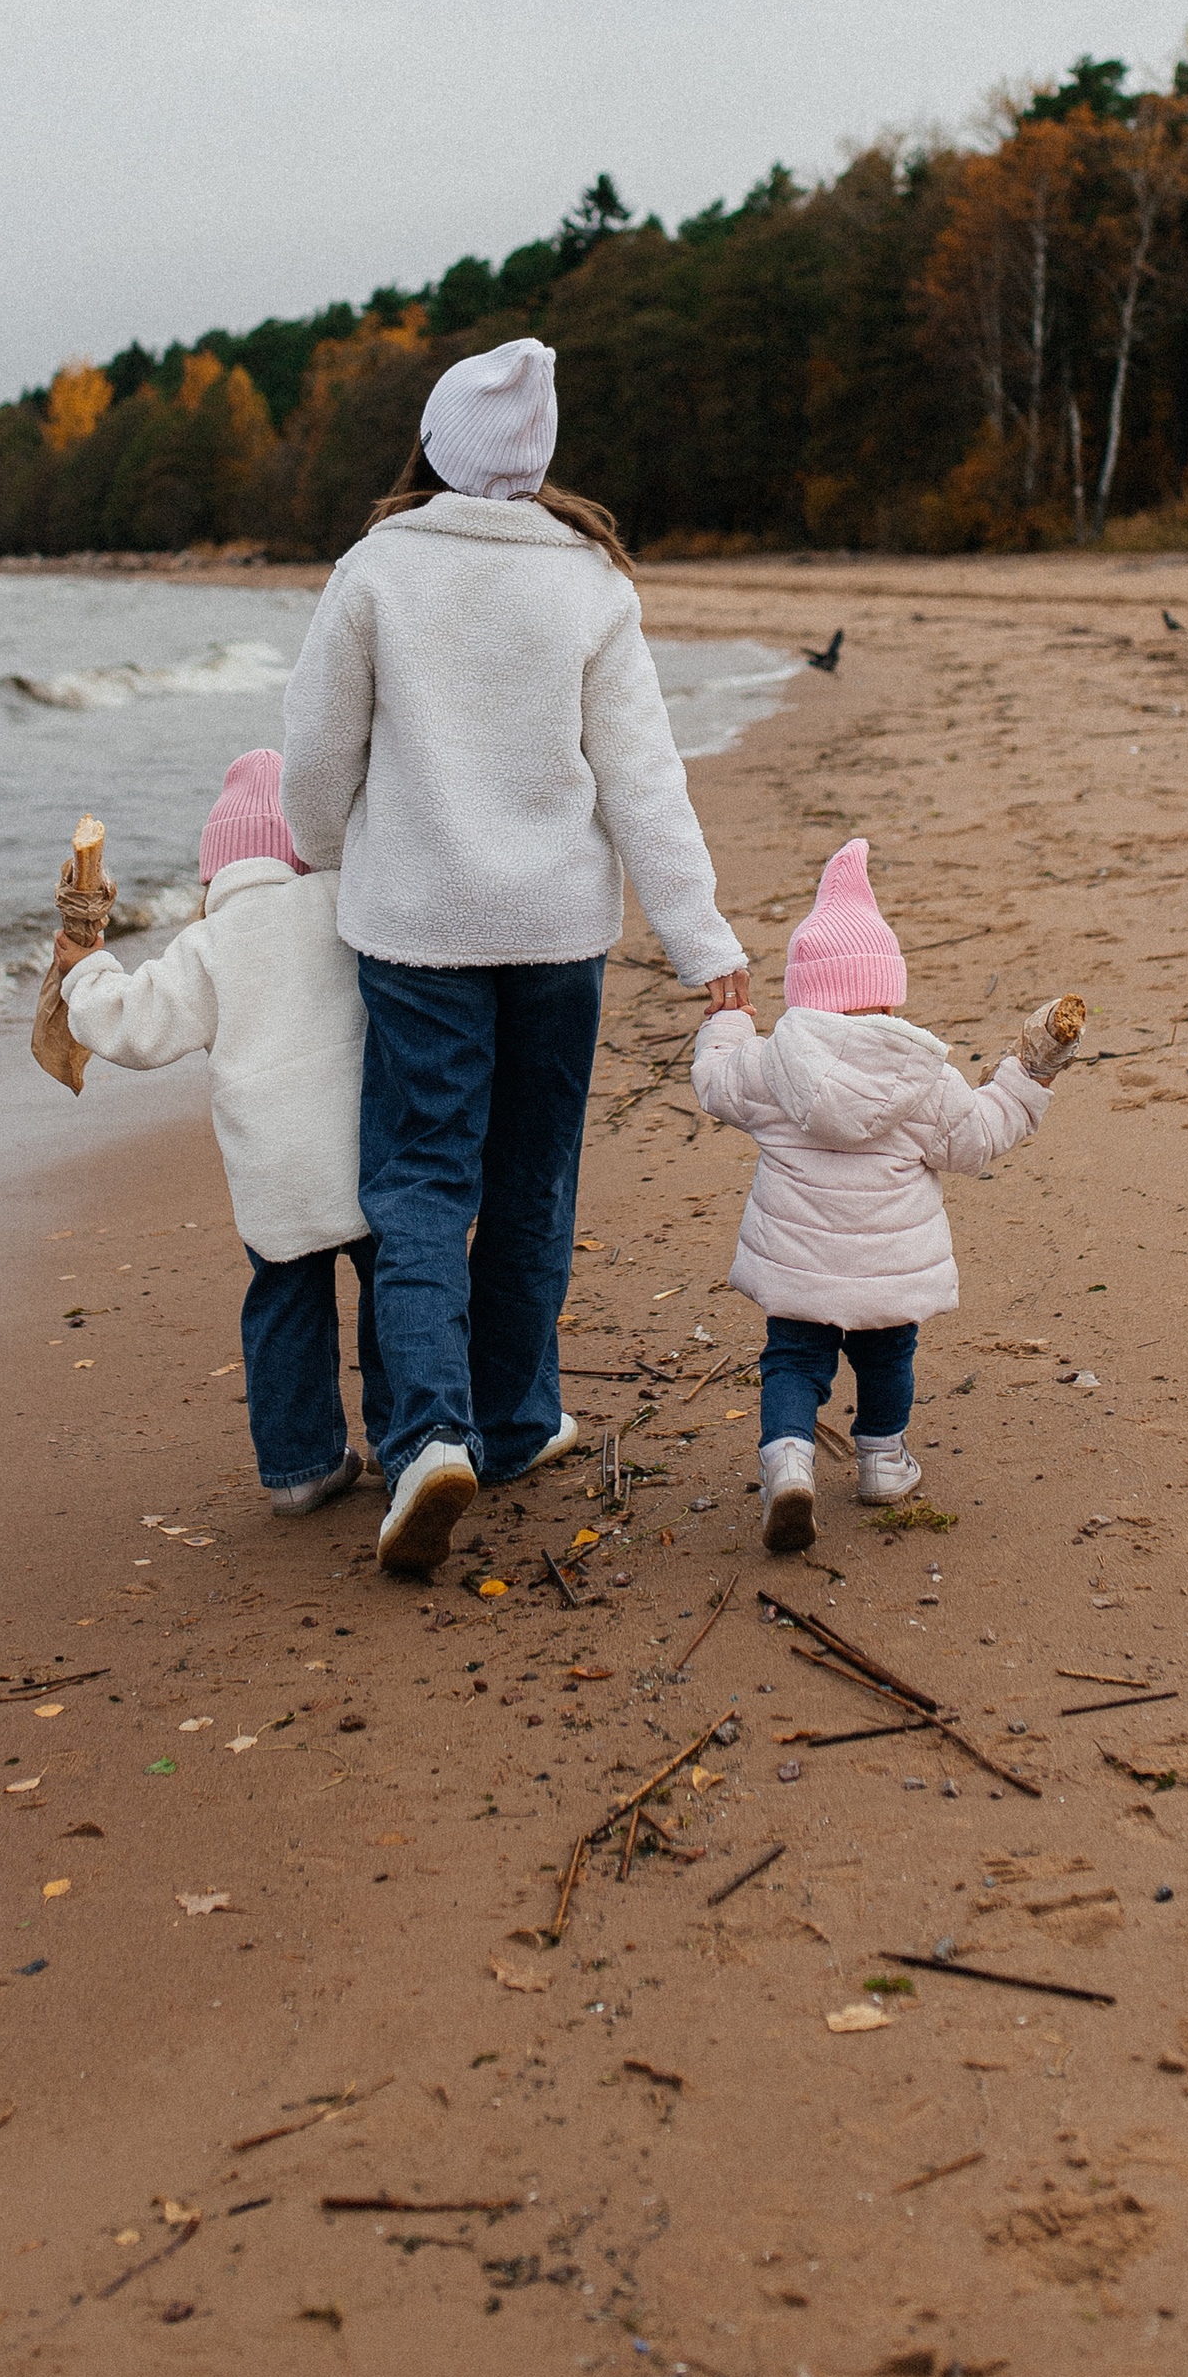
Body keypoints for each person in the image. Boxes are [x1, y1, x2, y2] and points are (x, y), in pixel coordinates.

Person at [281, 336, 746, 1579]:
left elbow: (316, 758)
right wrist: (703, 938)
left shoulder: (376, 569)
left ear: (432, 447)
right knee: (533, 1181)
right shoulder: (587, 579)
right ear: (536, 462)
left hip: (417, 933)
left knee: (423, 1182)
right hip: (553, 934)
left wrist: (325, 854)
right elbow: (643, 777)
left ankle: (430, 1435)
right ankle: (517, 1419)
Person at [692, 836, 1081, 1555]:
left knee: (792, 1361)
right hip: (889, 1268)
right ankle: (881, 1460)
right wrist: (1031, 1075)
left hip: (798, 1265)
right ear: (887, 987)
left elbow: (714, 1083)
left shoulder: (772, 1065)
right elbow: (978, 1140)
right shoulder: (923, 1078)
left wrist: (728, 1022)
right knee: (888, 1356)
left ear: (806, 991)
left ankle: (786, 1458)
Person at [53, 749, 376, 1519]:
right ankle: (407, 1444)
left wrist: (86, 971)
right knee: (392, 1292)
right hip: (365, 1150)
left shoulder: (208, 946)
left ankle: (300, 1468)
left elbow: (133, 1028)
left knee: (285, 1304)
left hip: (275, 1172)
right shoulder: (343, 905)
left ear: (214, 871)